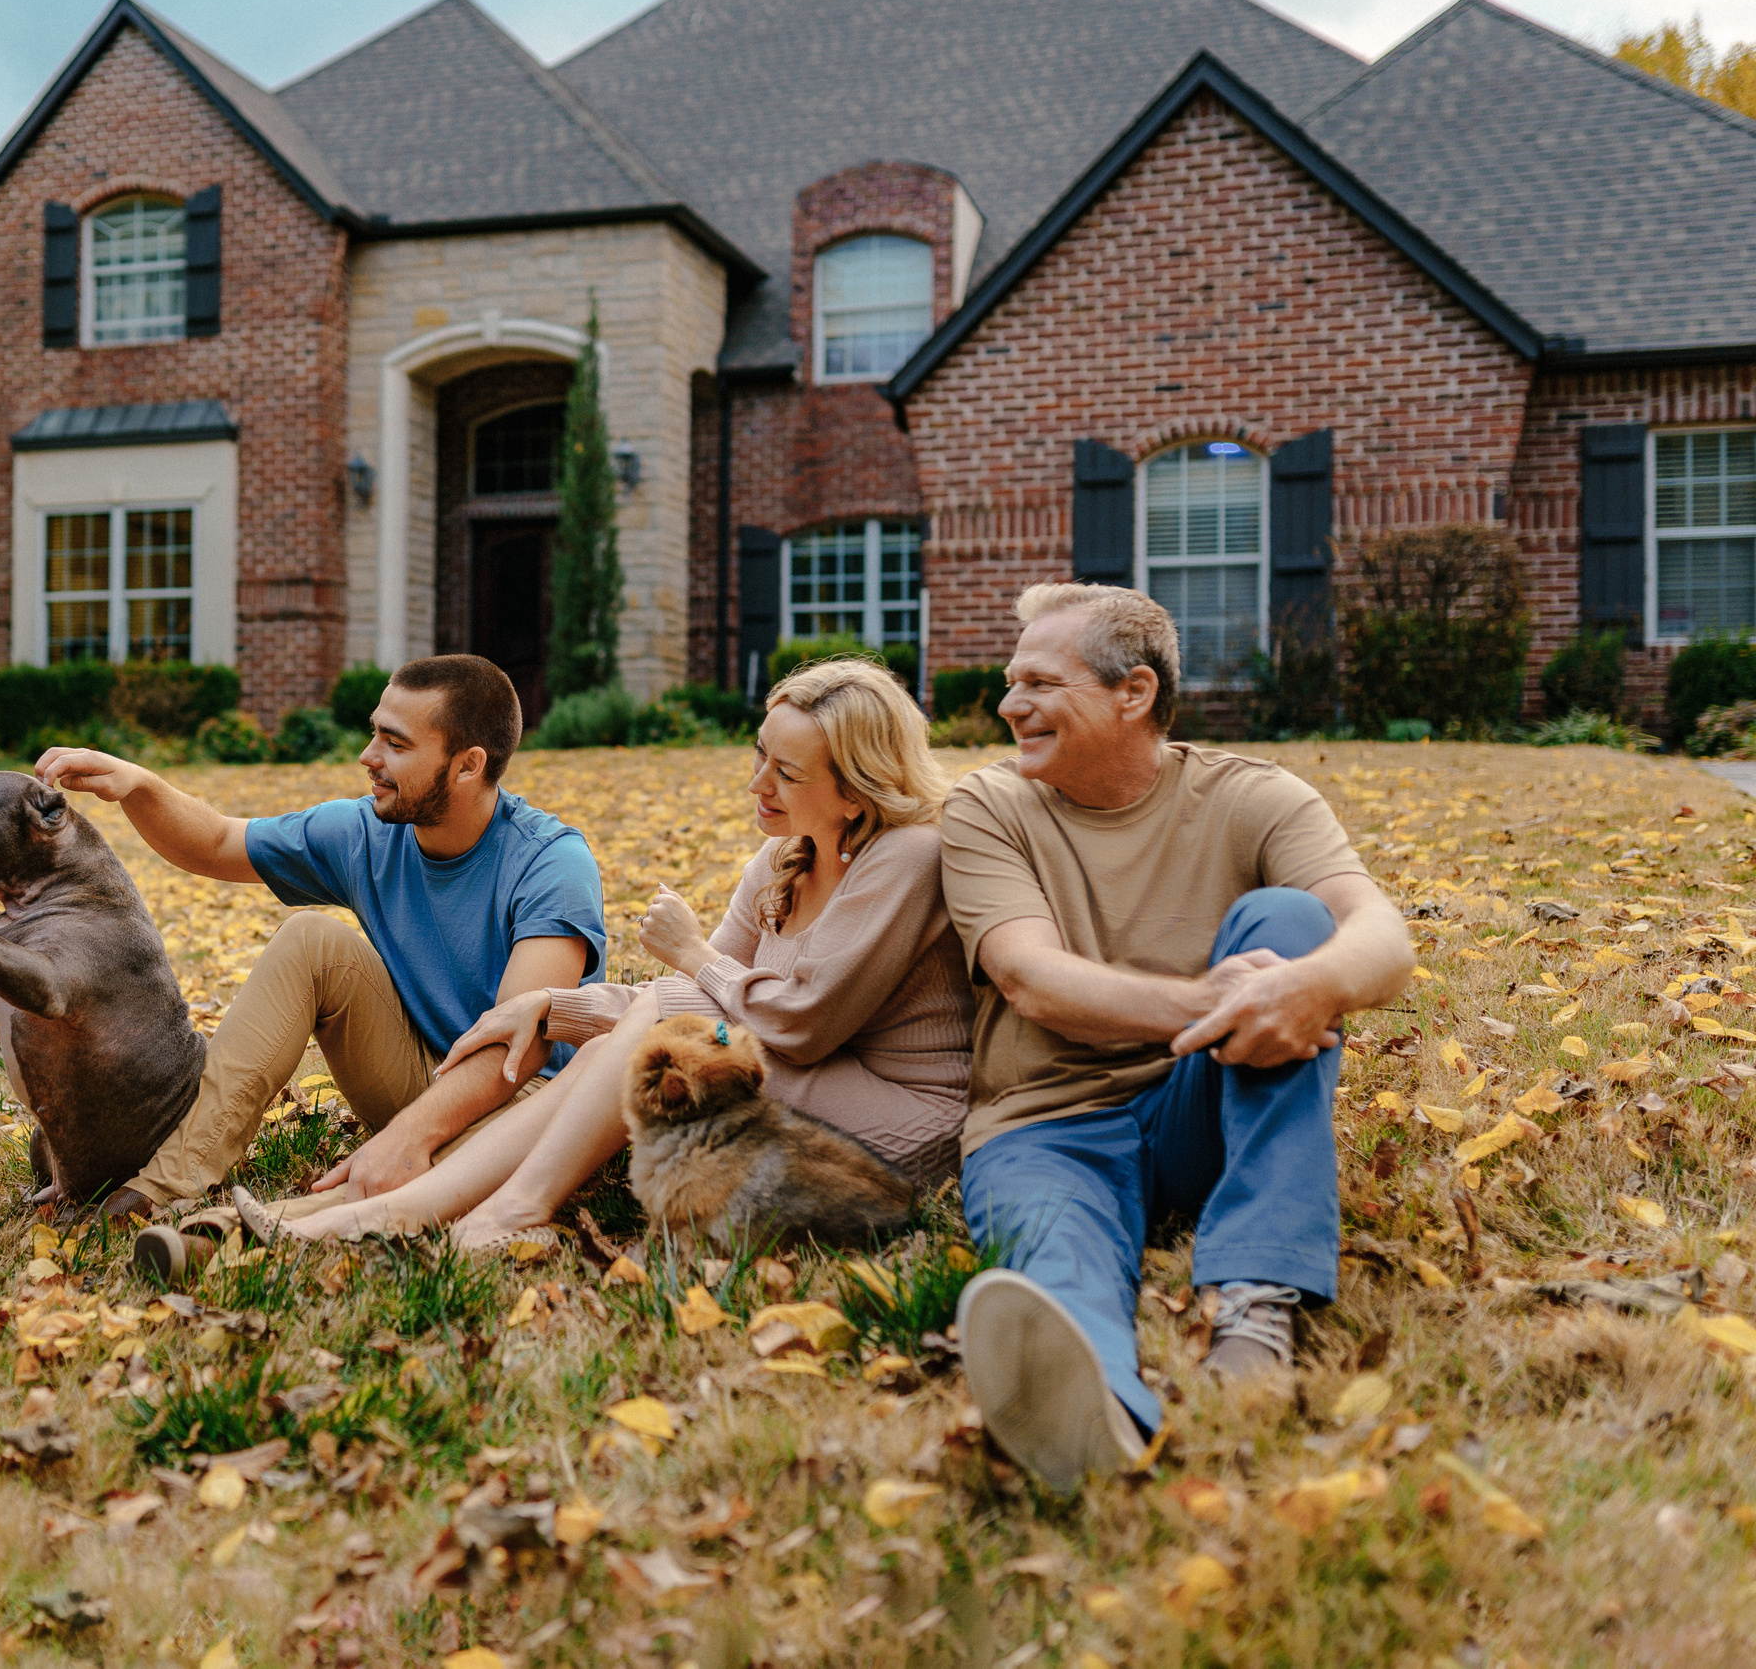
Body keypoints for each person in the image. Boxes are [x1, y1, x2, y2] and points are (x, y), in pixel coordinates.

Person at [940, 583, 1412, 1492]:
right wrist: (1206, 999)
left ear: (1135, 692)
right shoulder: (989, 808)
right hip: (1044, 1125)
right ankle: (1095, 1405)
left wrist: (1306, 986)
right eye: (1009, 682)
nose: (1008, 705)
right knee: (1054, 1267)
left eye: (1038, 681)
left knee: (1294, 921)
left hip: (1205, 1102)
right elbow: (1029, 978)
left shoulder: (1253, 798)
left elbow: (1383, 938)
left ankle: (1255, 1297)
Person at [263, 657, 973, 1253]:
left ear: (854, 790)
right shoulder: (784, 855)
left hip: (903, 1121)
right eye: (759, 752)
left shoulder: (907, 855)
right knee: (627, 1044)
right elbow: (693, 1006)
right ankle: (407, 1208)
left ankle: (496, 1209)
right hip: (806, 1079)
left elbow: (803, 1023)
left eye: (785, 772)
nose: (757, 783)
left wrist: (694, 954)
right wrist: (551, 1010)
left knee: (660, 1023)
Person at [34, 655, 606, 1256]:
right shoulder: (365, 834)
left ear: (468, 766)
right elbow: (218, 842)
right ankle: (160, 1187)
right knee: (311, 939)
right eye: (374, 731)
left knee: (474, 1140)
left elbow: (519, 1048)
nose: (368, 756)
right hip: (419, 1072)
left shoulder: (551, 863)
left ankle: (244, 1231)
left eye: (395, 743)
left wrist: (407, 1135)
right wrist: (140, 785)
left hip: (527, 1104)